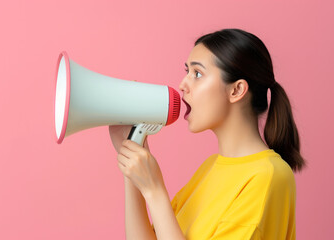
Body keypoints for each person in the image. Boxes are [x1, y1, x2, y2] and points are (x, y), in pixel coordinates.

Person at [109, 28, 306, 240]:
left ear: (236, 90)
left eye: (197, 74)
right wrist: (132, 164)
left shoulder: (268, 176)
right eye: (187, 72)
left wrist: (155, 191)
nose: (183, 85)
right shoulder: (210, 168)